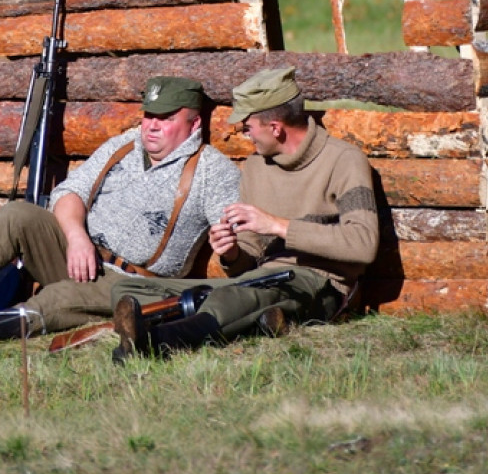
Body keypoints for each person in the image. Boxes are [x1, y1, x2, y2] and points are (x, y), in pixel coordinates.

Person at [0, 76, 241, 342]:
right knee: (17, 216)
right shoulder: (123, 145)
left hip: (135, 282)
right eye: (148, 114)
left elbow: (243, 247)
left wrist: (231, 251)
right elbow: (71, 191)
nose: (151, 125)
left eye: (164, 118)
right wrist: (76, 236)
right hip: (77, 252)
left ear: (193, 124)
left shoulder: (213, 171)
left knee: (58, 297)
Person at [112, 66, 379, 360]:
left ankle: (158, 340)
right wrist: (231, 253)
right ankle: (259, 320)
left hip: (320, 282)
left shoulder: (343, 160)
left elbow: (363, 243)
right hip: (260, 279)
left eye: (248, 126)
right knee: (131, 287)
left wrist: (278, 226)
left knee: (241, 296)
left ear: (275, 127)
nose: (244, 133)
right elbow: (247, 261)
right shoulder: (255, 167)